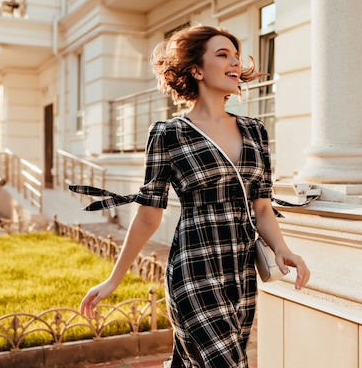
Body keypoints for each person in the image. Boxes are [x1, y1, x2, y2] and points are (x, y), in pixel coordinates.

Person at [71, 24, 310, 367]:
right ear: (196, 69)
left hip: (239, 272)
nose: (235, 62)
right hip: (193, 269)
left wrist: (283, 250)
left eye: (236, 55)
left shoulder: (256, 131)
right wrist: (114, 278)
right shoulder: (168, 134)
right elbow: (148, 215)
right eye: (222, 54)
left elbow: (261, 207)